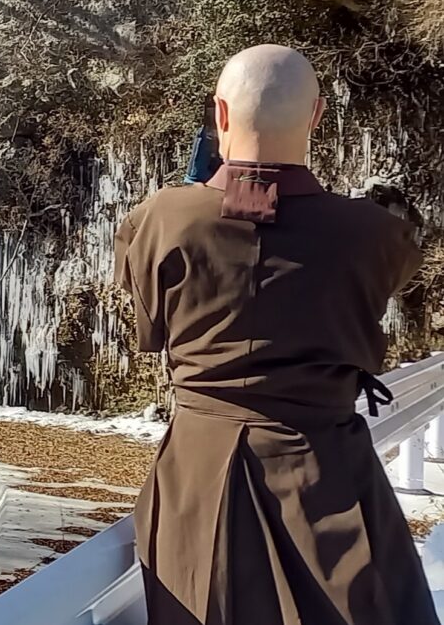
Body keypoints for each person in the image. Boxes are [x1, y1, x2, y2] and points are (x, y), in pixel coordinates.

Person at [114, 44, 438, 625]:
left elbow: (150, 326)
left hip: (198, 477)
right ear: (316, 116)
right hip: (331, 477)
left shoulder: (161, 218)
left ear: (219, 114)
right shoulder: (373, 233)